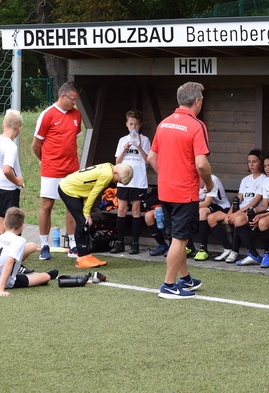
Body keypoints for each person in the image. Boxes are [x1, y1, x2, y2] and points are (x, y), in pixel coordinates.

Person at [147, 81, 215, 299]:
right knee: (180, 239)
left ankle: (185, 278)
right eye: (202, 99)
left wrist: (166, 176)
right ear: (197, 101)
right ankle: (168, 285)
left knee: (178, 238)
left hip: (165, 190)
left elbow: (151, 157)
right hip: (184, 192)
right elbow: (202, 164)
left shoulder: (164, 123)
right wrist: (209, 184)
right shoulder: (197, 126)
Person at [31, 81, 82, 260]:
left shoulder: (76, 115)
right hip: (51, 170)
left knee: (72, 206)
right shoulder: (47, 115)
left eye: (76, 100)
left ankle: (73, 244)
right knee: (47, 205)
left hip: (72, 170)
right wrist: (45, 161)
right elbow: (36, 145)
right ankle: (44, 244)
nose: (74, 103)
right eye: (73, 99)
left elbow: (73, 141)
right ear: (63, 96)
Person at [58, 162, 133, 269]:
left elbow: (88, 187)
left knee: (85, 222)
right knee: (82, 222)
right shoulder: (108, 175)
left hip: (74, 188)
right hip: (68, 189)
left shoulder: (109, 166)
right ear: (115, 172)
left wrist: (86, 210)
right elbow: (94, 193)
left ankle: (87, 255)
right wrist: (86, 213)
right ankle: (81, 258)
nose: (115, 182)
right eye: (117, 180)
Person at [0, 207, 59, 297]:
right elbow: (8, 263)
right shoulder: (19, 241)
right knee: (45, 277)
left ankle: (18, 267)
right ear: (22, 227)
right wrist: (1, 288)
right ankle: (46, 273)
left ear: (4, 224)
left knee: (32, 246)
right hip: (6, 281)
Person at [212, 149, 266, 263]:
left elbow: (254, 202)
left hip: (253, 211)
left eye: (254, 161)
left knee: (238, 219)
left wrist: (236, 214)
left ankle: (240, 251)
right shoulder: (246, 180)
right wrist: (230, 212)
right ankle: (229, 249)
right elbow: (238, 198)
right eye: (249, 162)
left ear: (261, 162)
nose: (251, 164)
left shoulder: (264, 179)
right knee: (212, 218)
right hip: (240, 210)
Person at [111, 110, 152, 255]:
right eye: (131, 124)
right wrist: (124, 150)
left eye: (136, 124)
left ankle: (135, 243)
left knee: (136, 211)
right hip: (124, 181)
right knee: (121, 210)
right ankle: (120, 242)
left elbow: (148, 160)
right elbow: (117, 162)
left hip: (138, 181)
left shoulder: (145, 140)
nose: (133, 126)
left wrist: (139, 146)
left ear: (140, 125)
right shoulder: (122, 140)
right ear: (127, 125)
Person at [0, 109, 24, 235]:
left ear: (3, 125)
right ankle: (6, 249)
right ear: (19, 128)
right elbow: (7, 170)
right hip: (8, 189)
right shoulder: (10, 146)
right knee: (12, 224)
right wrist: (17, 181)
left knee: (3, 220)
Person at [193, 174, 230, 261]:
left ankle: (203, 249)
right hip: (209, 206)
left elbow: (206, 203)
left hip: (222, 207)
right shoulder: (191, 181)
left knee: (202, 212)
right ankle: (189, 246)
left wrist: (189, 207)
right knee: (187, 213)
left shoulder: (212, 179)